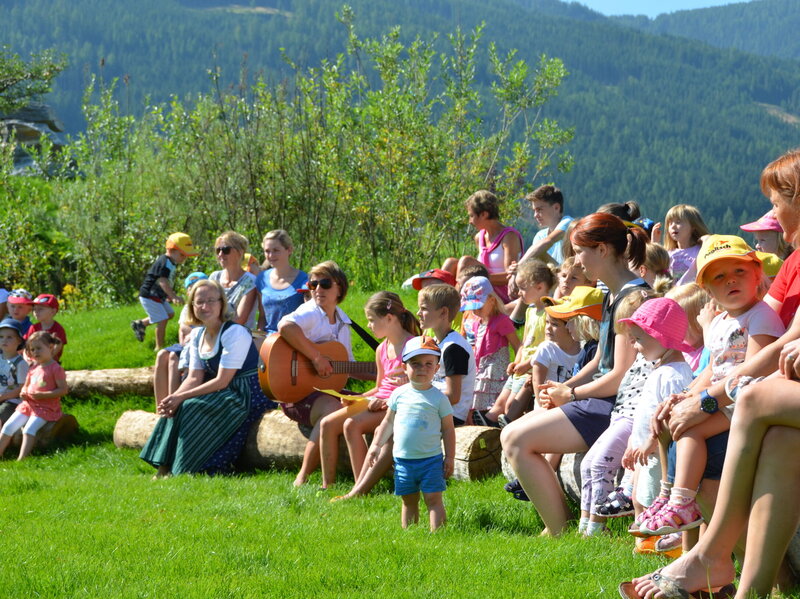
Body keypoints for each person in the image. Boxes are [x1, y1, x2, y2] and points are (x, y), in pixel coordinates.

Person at [623, 148, 800, 599]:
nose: (772, 213)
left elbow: (775, 338)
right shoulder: (793, 263)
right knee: (776, 438)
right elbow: (772, 327)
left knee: (751, 405)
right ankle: (748, 588)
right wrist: (695, 393)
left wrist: (709, 398)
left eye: (776, 200)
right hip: (779, 394)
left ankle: (707, 556)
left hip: (765, 392)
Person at [501, 212, 649, 535]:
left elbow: (621, 374)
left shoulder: (633, 297)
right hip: (602, 399)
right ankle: (559, 526)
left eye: (580, 251)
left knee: (514, 438)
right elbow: (601, 360)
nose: (577, 262)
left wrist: (570, 394)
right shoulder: (615, 293)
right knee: (513, 434)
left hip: (615, 407)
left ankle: (558, 530)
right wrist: (563, 386)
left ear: (603, 250)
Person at [635, 236, 783, 538]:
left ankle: (682, 501)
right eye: (719, 277)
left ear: (757, 274)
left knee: (690, 429)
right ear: (708, 289)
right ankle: (668, 495)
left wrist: (701, 402)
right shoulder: (719, 322)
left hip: (744, 403)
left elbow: (753, 371)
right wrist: (687, 395)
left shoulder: (761, 316)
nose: (730, 281)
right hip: (720, 398)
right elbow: (713, 368)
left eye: (739, 272)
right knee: (673, 420)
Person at [140, 279, 272, 476]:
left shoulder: (233, 332)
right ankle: (163, 468)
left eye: (211, 300)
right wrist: (173, 399)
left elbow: (222, 380)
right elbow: (194, 377)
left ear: (222, 304)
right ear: (192, 307)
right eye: (199, 302)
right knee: (174, 407)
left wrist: (181, 398)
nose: (205, 306)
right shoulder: (197, 335)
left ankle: (183, 469)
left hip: (245, 392)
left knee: (190, 405)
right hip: (224, 389)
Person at [318, 291, 419, 489]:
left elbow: (419, 385)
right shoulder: (382, 348)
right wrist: (358, 398)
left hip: (396, 405)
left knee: (351, 425)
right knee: (327, 424)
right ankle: (326, 485)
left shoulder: (413, 346)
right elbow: (380, 386)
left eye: (371, 320)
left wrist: (387, 401)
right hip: (377, 401)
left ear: (389, 318)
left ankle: (360, 486)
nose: (369, 325)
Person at [277, 261, 364, 487]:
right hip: (296, 392)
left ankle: (362, 475)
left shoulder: (344, 322)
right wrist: (316, 358)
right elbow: (286, 326)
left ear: (340, 289)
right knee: (332, 410)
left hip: (324, 391)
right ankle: (304, 477)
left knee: (364, 403)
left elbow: (349, 366)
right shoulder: (311, 312)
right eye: (313, 284)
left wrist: (385, 371)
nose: (317, 289)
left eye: (324, 284)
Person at [366, 336, 455, 531]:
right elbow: (388, 421)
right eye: (415, 364)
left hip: (431, 459)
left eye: (428, 364)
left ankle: (438, 535)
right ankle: (410, 535)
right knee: (408, 499)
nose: (422, 368)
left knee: (433, 498)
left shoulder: (439, 398)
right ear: (405, 367)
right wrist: (376, 446)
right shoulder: (399, 394)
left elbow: (448, 429)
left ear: (436, 368)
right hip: (403, 460)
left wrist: (449, 457)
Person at [485, 259, 555, 425]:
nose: (518, 293)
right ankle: (488, 432)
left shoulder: (549, 312)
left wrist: (527, 365)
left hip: (535, 367)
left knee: (511, 406)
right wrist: (516, 361)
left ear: (539, 287)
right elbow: (525, 343)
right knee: (500, 403)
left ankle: (513, 431)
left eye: (523, 288)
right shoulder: (530, 310)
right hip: (522, 365)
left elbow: (548, 347)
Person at [442, 190, 524, 305]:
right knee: (450, 263)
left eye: (471, 216)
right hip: (484, 286)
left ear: (484, 214)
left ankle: (454, 305)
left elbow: (509, 276)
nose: (470, 221)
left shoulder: (509, 236)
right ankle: (437, 301)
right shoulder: (479, 237)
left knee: (466, 261)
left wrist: (479, 278)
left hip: (505, 292)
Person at [460, 276, 521, 425]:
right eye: (472, 308)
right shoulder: (476, 323)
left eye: (479, 307)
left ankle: (492, 429)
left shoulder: (501, 321)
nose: (475, 311)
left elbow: (517, 345)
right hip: (480, 369)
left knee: (492, 403)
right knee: (477, 402)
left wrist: (517, 364)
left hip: (496, 371)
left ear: (492, 300)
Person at [0, 331, 67, 461]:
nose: (35, 352)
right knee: (8, 426)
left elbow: (63, 390)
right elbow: (25, 385)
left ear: (51, 347)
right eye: (32, 349)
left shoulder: (55, 368)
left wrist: (43, 395)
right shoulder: (33, 367)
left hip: (45, 407)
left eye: (39, 348)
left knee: (28, 429)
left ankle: (22, 459)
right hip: (27, 405)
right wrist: (23, 392)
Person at [132, 232, 199, 350]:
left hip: (158, 296)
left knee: (169, 314)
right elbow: (162, 281)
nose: (185, 258)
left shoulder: (171, 262)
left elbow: (165, 282)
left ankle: (141, 324)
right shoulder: (164, 262)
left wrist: (166, 295)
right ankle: (159, 348)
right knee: (162, 319)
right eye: (182, 254)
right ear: (172, 250)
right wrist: (173, 296)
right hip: (149, 295)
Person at [152, 271, 207, 406]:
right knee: (161, 355)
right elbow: (182, 330)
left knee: (173, 358)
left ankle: (172, 403)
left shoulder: (207, 306)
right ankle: (160, 406)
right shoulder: (186, 309)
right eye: (190, 287)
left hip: (199, 344)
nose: (193, 290)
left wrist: (192, 334)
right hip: (184, 344)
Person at [255, 230, 308, 336]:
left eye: (276, 250)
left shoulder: (304, 280)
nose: (270, 255)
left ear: (289, 250)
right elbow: (262, 316)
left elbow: (310, 316)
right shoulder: (261, 279)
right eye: (267, 251)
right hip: (268, 339)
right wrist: (258, 338)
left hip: (295, 338)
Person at [210, 231, 258, 330]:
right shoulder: (214, 277)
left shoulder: (250, 282)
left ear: (240, 253)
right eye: (217, 250)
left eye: (225, 250)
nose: (220, 254)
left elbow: (240, 319)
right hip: (212, 332)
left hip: (238, 335)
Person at [519, 185, 573, 266]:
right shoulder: (540, 236)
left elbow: (548, 241)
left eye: (539, 209)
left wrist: (518, 266)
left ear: (556, 207)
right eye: (534, 210)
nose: (535, 215)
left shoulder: (569, 223)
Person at [662, 204, 711, 285]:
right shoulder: (668, 253)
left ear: (693, 226)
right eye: (670, 223)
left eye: (678, 222)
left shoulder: (701, 251)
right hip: (673, 295)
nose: (673, 226)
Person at [0, 318, 29, 425]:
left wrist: (3, 397)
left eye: (9, 337)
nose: (4, 340)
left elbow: (22, 388)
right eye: (1, 337)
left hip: (12, 401)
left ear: (19, 341)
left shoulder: (20, 364)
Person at [29, 294, 67, 361]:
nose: (36, 312)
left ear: (53, 311)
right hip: (35, 361)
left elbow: (58, 346)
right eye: (34, 309)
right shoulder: (33, 328)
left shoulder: (57, 329)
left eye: (40, 309)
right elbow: (27, 345)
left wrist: (46, 359)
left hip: (51, 362)